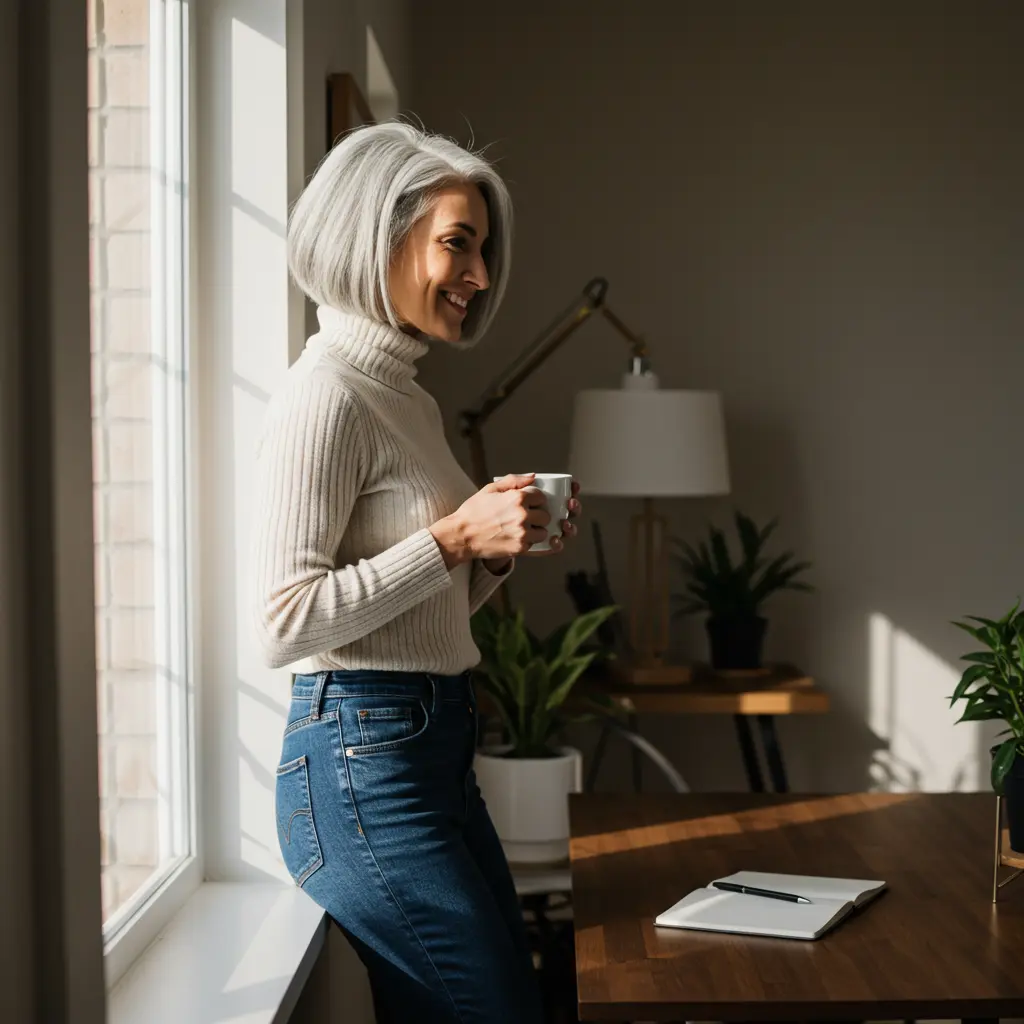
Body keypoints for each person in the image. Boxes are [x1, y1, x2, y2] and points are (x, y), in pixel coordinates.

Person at [251, 121, 581, 1024]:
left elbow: (425, 611)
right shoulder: (326, 394)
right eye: (456, 245)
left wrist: (496, 552)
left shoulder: (408, 396)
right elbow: (286, 621)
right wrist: (452, 539)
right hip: (362, 762)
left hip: (429, 750)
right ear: (376, 237)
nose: (479, 277)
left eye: (482, 250)